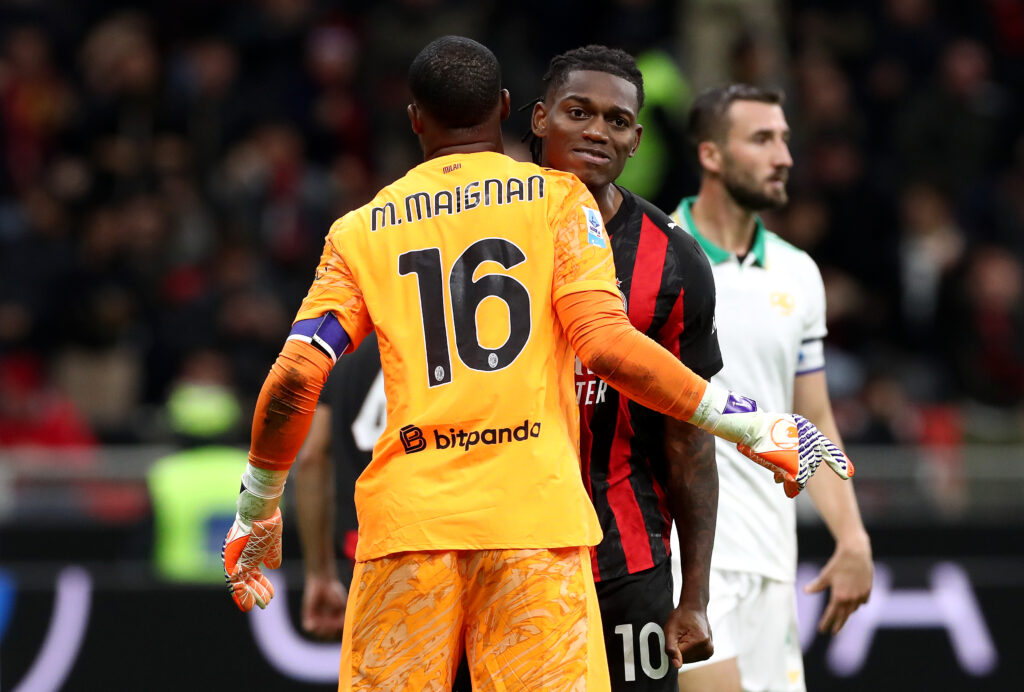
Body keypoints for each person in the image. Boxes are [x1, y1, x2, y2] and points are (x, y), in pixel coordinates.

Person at [220, 37, 851, 691]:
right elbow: (606, 344)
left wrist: (258, 506)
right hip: (534, 530)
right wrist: (749, 423)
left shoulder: (359, 232)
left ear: (414, 119)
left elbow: (295, 379)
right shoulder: (557, 202)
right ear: (507, 108)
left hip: (408, 531)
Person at [668, 84, 873, 692]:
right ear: (711, 154)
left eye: (784, 139)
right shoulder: (655, 252)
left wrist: (852, 535)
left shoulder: (797, 272)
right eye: (761, 139)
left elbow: (814, 419)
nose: (784, 156)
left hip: (772, 558)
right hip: (684, 559)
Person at [527, 45, 719, 690]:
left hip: (626, 565)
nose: (597, 132)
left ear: (636, 140)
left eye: (616, 121)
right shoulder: (478, 240)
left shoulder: (675, 260)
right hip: (501, 555)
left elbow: (688, 437)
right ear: (540, 118)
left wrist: (695, 594)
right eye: (578, 112)